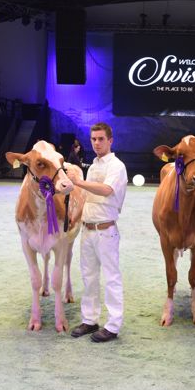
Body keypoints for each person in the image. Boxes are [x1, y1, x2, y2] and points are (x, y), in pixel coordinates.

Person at [70, 122, 128, 343]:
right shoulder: (93, 166)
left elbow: (106, 190)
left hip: (105, 230)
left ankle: (112, 325)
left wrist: (78, 182)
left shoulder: (117, 166)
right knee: (89, 276)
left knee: (111, 277)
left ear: (110, 140)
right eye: (93, 139)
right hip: (88, 229)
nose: (96, 143)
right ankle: (90, 319)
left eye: (101, 139)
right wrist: (76, 215)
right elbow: (87, 197)